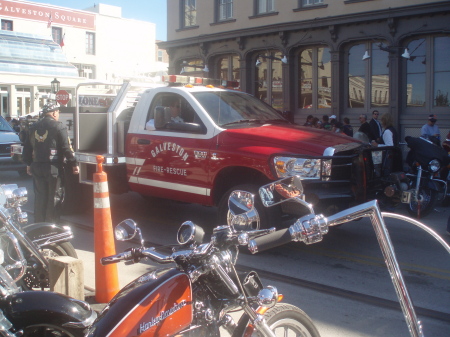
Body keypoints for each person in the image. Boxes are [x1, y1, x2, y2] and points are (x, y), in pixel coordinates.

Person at [22, 103, 79, 223]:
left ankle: (39, 227)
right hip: (53, 167)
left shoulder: (33, 127)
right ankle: (51, 227)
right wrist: (74, 163)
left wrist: (28, 164)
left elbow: (27, 147)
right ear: (54, 113)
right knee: (54, 197)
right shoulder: (59, 126)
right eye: (58, 113)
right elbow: (66, 148)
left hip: (37, 166)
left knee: (40, 197)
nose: (58, 115)